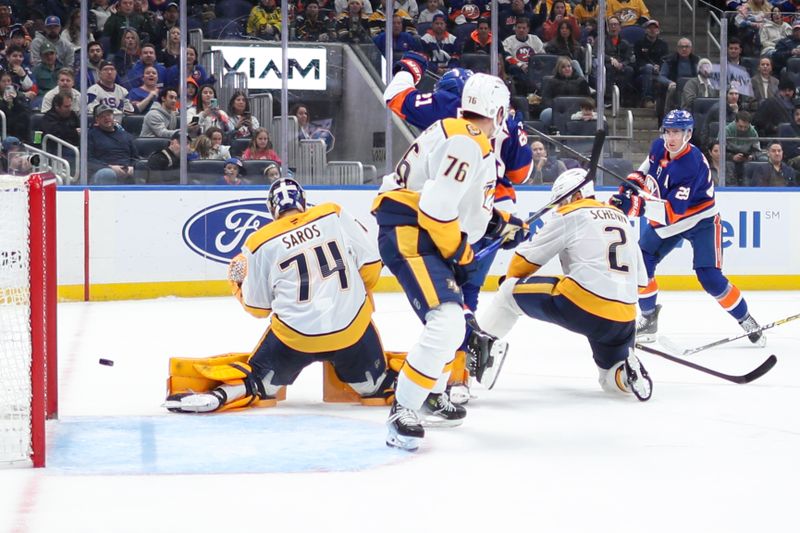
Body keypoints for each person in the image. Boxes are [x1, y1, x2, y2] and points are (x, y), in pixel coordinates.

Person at [372, 73, 526, 451]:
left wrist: (500, 225)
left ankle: (426, 393)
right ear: (500, 111)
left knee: (452, 326)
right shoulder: (469, 142)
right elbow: (436, 206)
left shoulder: (461, 135)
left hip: (419, 230)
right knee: (447, 322)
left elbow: (460, 206)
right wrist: (460, 250)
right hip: (410, 231)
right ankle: (403, 408)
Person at [164, 178, 394, 414]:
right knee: (376, 385)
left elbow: (259, 309)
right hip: (352, 332)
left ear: (272, 210)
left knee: (258, 382)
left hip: (296, 339)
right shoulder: (332, 213)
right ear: (303, 202)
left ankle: (222, 394)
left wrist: (238, 284)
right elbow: (372, 267)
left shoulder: (258, 242)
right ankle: (409, 384)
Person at [477, 168, 652, 401]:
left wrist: (511, 282)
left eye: (561, 201)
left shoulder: (571, 213)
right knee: (610, 379)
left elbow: (521, 263)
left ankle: (472, 355)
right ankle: (627, 376)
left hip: (583, 304)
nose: (559, 207)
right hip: (624, 317)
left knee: (508, 292)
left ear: (576, 196)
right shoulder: (620, 216)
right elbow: (641, 282)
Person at [610, 109, 766, 346]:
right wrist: (632, 184)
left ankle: (746, 319)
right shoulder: (658, 146)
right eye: (668, 131)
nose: (671, 137)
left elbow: (672, 212)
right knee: (640, 262)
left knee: (709, 277)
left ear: (688, 134)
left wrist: (636, 206)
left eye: (678, 132)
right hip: (670, 218)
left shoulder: (691, 164)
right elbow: (646, 168)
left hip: (700, 220)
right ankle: (649, 318)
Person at [87, 103, 138, 184]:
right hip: (102, 171)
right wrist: (110, 167)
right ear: (97, 120)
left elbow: (135, 158)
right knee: (107, 173)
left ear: (113, 116)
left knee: (142, 168)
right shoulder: (91, 135)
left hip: (126, 170)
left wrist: (132, 167)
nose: (107, 118)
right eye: (103, 116)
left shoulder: (126, 135)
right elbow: (89, 160)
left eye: (109, 115)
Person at [502, 16, 545, 96]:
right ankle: (532, 91)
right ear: (515, 28)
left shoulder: (535, 40)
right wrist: (521, 65)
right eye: (519, 27)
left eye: (524, 28)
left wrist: (531, 66)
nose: (521, 30)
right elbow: (508, 57)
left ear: (528, 29)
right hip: (518, 69)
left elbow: (542, 56)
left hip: (533, 68)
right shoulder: (509, 41)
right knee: (513, 68)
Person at [634, 19, 669, 109]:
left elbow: (665, 60)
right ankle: (647, 99)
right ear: (646, 30)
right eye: (650, 28)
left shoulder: (663, 44)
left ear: (658, 31)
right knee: (648, 67)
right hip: (642, 70)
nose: (652, 30)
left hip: (659, 71)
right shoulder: (639, 43)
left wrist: (659, 67)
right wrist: (651, 66)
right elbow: (638, 60)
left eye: (655, 28)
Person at [725, 110, 763, 185]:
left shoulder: (753, 132)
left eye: (746, 127)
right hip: (730, 157)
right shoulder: (727, 130)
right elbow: (718, 150)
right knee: (729, 165)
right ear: (735, 122)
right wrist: (731, 157)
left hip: (747, 157)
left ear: (749, 124)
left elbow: (758, 151)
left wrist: (752, 156)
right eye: (740, 126)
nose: (743, 129)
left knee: (762, 160)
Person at [0, 71, 31, 143]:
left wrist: (16, 100)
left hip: (17, 129)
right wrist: (4, 103)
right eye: (3, 81)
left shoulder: (19, 95)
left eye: (9, 81)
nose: (7, 84)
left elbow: (26, 111)